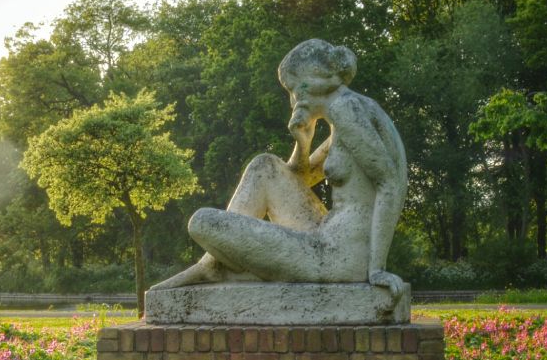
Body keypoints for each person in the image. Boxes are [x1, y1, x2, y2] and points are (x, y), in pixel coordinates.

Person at [152, 39, 408, 298]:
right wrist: (303, 142)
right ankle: (211, 265)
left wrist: (377, 269)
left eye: (293, 89)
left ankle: (212, 266)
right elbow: (300, 179)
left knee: (202, 222)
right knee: (265, 166)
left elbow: (388, 183)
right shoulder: (344, 116)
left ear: (312, 84)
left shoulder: (346, 110)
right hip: (326, 236)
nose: (292, 100)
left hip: (337, 255)